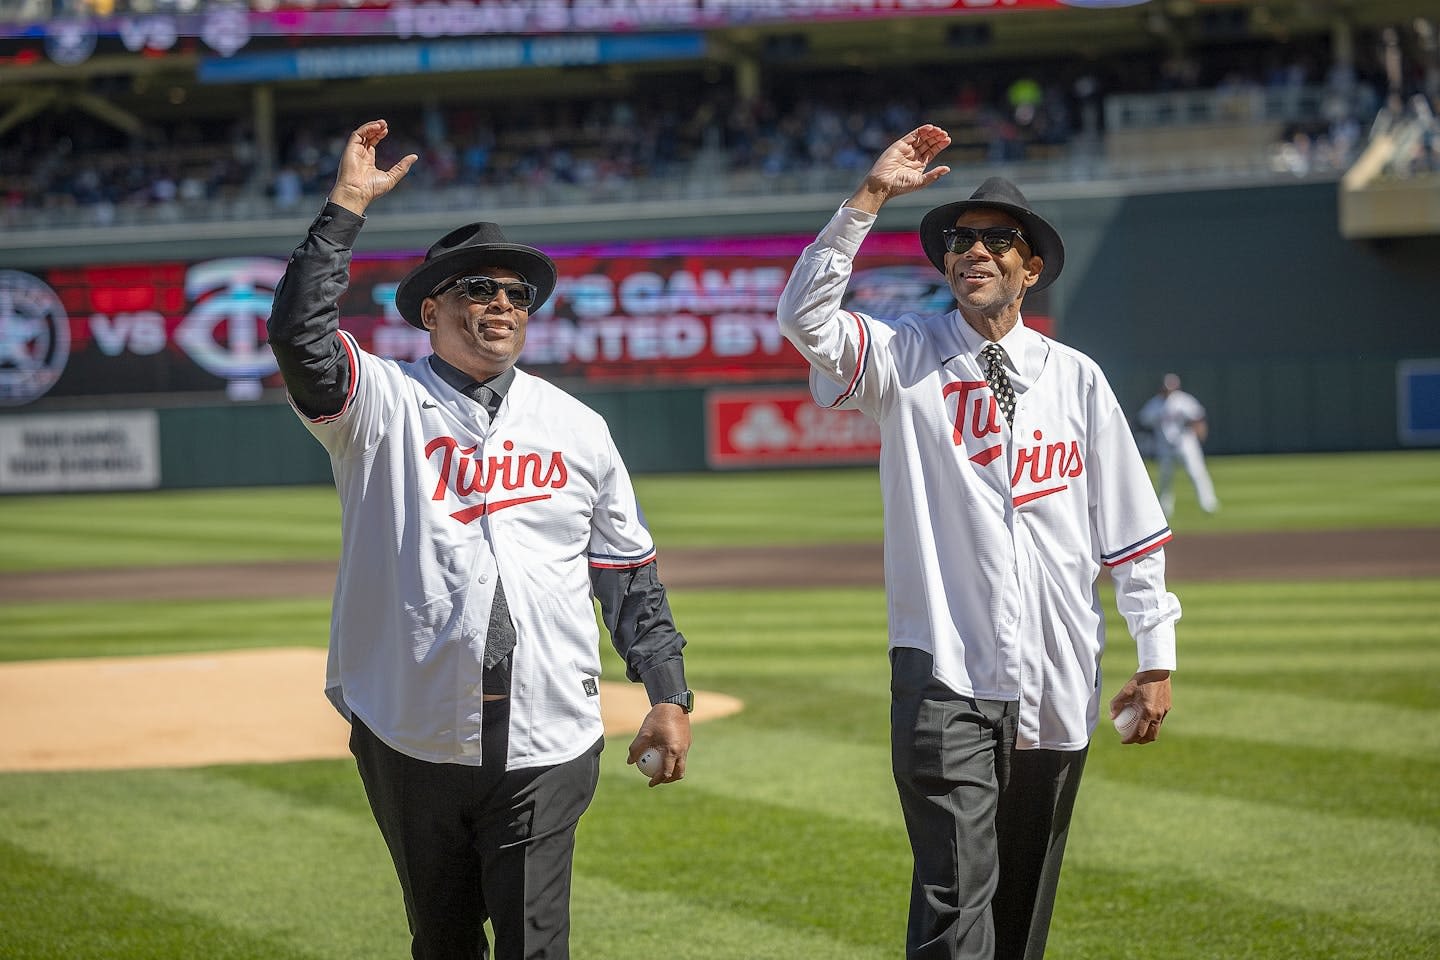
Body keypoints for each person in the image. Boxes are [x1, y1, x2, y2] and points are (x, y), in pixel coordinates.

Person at [266, 119, 694, 960]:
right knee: (444, 941)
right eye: (477, 289)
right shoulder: (376, 406)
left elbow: (626, 573)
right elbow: (300, 338)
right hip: (410, 726)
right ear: (431, 309)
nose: (500, 304)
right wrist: (347, 203)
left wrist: (668, 692)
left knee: (538, 946)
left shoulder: (575, 426)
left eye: (515, 293)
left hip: (551, 731)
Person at [776, 124, 1182, 960]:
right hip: (944, 670)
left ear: (1031, 268)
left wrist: (1155, 656)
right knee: (956, 900)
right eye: (962, 240)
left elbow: (1131, 532)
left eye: (999, 241)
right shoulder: (903, 354)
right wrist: (871, 198)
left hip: (1059, 670)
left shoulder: (1076, 379)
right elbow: (805, 316)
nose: (976, 252)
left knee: (1021, 907)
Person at [1138, 373, 1220, 515]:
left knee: (1196, 473)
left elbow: (1198, 418)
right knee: (1165, 478)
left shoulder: (1184, 401)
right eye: (1166, 387)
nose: (1168, 390)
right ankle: (1165, 509)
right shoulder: (1154, 404)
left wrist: (1200, 432)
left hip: (1185, 443)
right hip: (1164, 445)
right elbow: (1143, 422)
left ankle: (1208, 504)